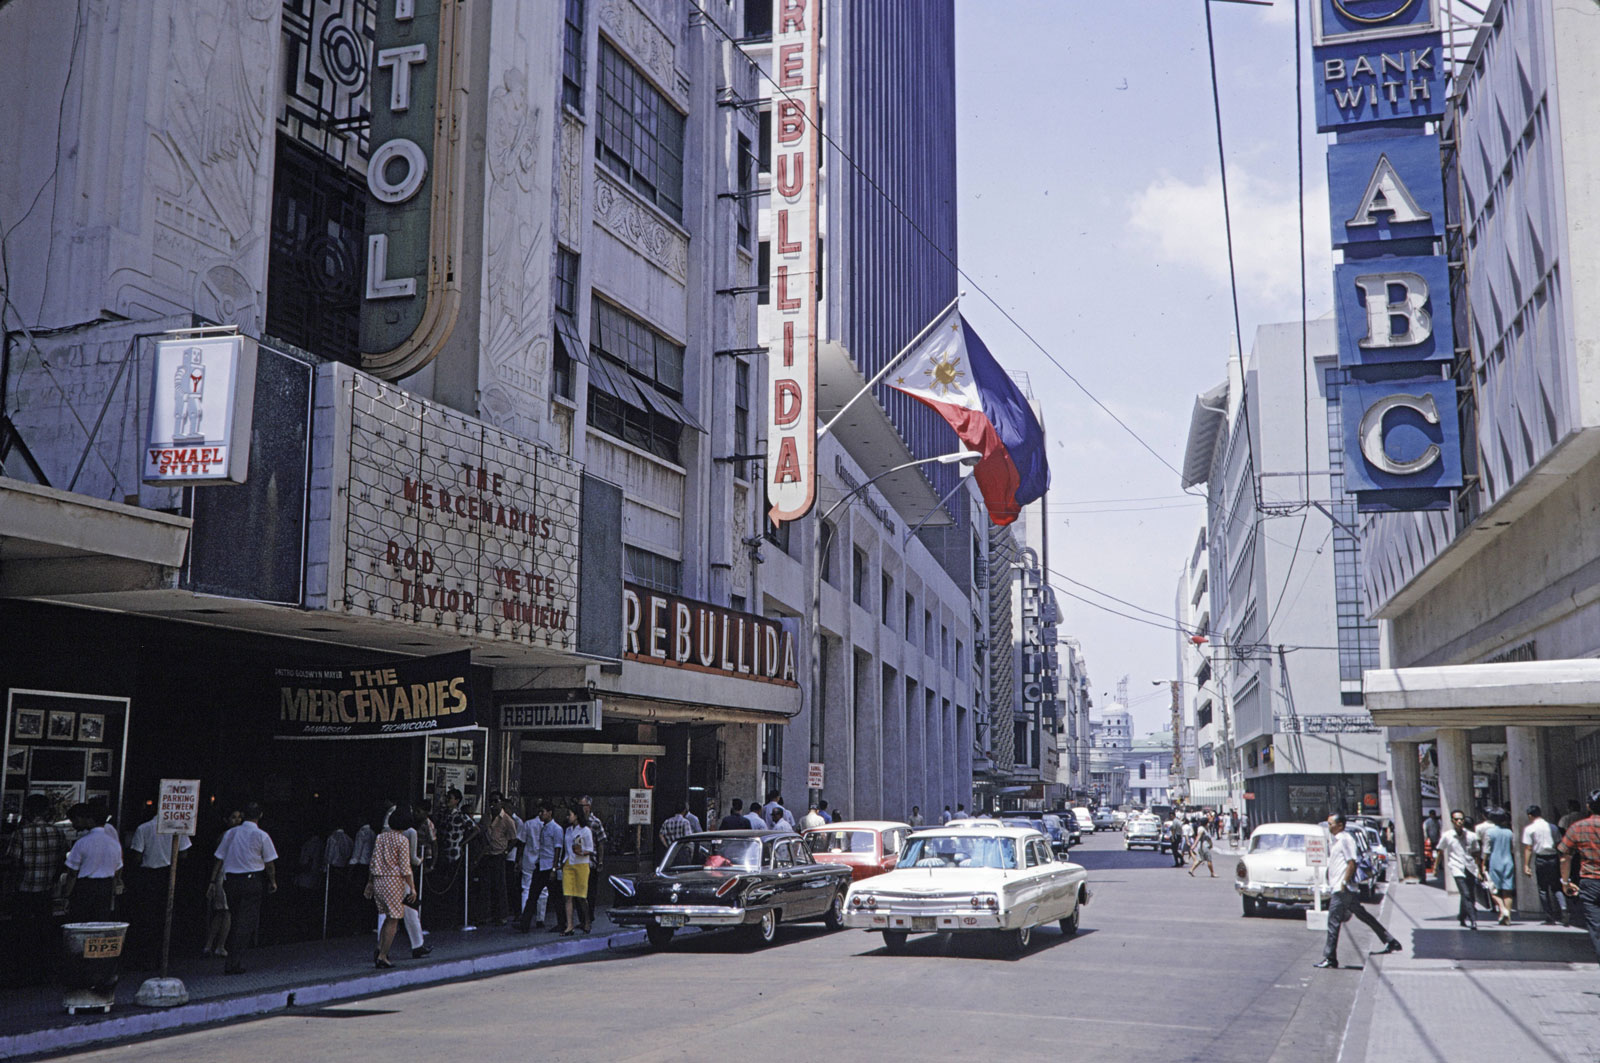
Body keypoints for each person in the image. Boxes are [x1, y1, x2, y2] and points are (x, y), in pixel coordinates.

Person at [1315, 812, 1401, 969]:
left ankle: (1330, 958)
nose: (1329, 827)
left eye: (1330, 824)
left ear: (1340, 825)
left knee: (1333, 922)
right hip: (1343, 888)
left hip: (1342, 889)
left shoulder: (1345, 839)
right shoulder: (1336, 840)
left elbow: (1351, 863)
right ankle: (1390, 940)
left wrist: (1343, 883)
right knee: (1363, 915)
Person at [4, 793, 68, 983]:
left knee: (21, 932)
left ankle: (22, 971)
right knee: (44, 930)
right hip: (47, 889)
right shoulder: (58, 832)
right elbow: (62, 860)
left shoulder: (21, 833)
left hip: (24, 888)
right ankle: (43, 970)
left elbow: (14, 862)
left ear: (29, 811)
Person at [211, 802, 278, 974]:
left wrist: (212, 881)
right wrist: (272, 881)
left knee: (234, 918)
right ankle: (234, 962)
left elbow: (219, 858)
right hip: (251, 880)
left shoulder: (231, 833)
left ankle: (231, 958)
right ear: (260, 815)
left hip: (231, 881)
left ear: (243, 815)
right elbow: (269, 863)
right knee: (245, 923)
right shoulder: (262, 836)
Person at [126, 804, 192, 967]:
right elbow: (184, 852)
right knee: (166, 914)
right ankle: (164, 955)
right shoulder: (177, 828)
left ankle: (146, 956)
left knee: (147, 916)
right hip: (169, 872)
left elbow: (137, 856)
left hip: (149, 874)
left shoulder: (143, 829)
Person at [365, 805, 416, 968]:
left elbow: (373, 862)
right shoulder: (402, 840)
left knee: (386, 916)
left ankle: (380, 948)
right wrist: (412, 887)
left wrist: (370, 882)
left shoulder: (381, 837)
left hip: (379, 880)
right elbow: (405, 867)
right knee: (393, 920)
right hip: (393, 881)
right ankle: (383, 955)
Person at [1558, 788, 1600, 964]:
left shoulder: (1578, 827)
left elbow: (1564, 856)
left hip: (1590, 882)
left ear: (1588, 806)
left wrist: (1565, 881)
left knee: (1596, 927)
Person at [60, 803, 122, 922]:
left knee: (82, 921)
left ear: (89, 820)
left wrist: (66, 894)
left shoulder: (83, 842)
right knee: (100, 922)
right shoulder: (114, 843)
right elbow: (118, 867)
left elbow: (72, 873)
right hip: (106, 886)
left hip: (85, 887)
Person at [430, 788, 476, 930]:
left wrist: (463, 843)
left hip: (455, 854)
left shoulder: (461, 816)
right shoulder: (443, 815)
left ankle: (453, 917)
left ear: (456, 800)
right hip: (443, 853)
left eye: (450, 798)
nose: (448, 800)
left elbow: (475, 829)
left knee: (454, 886)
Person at [515, 803, 564, 932]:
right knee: (533, 894)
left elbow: (557, 849)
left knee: (556, 896)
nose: (540, 814)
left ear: (550, 812)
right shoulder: (544, 828)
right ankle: (525, 923)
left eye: (543, 811)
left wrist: (554, 868)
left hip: (549, 867)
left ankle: (562, 923)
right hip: (540, 865)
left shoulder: (556, 829)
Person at [203, 808, 243, 957]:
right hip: (225, 875)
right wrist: (213, 880)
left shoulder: (232, 835)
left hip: (223, 874)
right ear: (226, 820)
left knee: (220, 912)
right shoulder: (228, 836)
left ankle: (209, 944)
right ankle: (220, 946)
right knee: (226, 913)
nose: (237, 820)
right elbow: (219, 859)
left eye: (239, 817)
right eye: (234, 817)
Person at [1436, 810, 1482, 930]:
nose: (1459, 821)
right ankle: (1473, 920)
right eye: (1456, 819)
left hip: (1470, 867)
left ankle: (1462, 916)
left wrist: (1480, 870)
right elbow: (1440, 851)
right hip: (1456, 867)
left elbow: (1476, 853)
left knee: (1469, 894)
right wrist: (1435, 868)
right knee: (1465, 893)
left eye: (1461, 819)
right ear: (1452, 821)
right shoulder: (1447, 836)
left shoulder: (1471, 836)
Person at [477, 795, 517, 925]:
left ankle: (501, 915)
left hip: (499, 854)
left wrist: (506, 851)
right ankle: (486, 914)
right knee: (485, 885)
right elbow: (481, 831)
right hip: (487, 853)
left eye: (496, 801)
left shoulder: (507, 820)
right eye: (491, 802)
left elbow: (513, 838)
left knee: (499, 885)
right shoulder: (486, 817)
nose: (493, 804)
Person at [1522, 804, 1563, 925]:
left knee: (1543, 889)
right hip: (1554, 858)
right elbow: (1559, 844)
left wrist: (1526, 865)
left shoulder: (1530, 829)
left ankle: (1549, 915)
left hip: (1540, 859)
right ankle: (1564, 908)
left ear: (1530, 816)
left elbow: (1528, 848)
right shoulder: (1553, 827)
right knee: (1557, 886)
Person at [560, 808, 594, 935]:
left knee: (581, 897)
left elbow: (590, 849)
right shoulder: (568, 830)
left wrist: (582, 852)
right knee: (567, 895)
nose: (568, 816)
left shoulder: (585, 831)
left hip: (581, 864)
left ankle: (587, 921)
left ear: (576, 816)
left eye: (570, 814)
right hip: (569, 863)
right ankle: (570, 925)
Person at [1483, 809, 1516, 925]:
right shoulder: (1509, 832)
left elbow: (1486, 850)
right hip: (1508, 861)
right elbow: (1513, 848)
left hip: (1495, 861)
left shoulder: (1489, 832)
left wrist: (1483, 864)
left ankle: (1502, 909)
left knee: (1493, 890)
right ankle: (1508, 917)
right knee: (1508, 891)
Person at [578, 796, 608, 915]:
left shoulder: (595, 822)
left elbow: (601, 842)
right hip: (579, 861)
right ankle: (582, 916)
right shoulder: (577, 822)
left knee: (590, 890)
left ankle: (589, 915)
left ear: (588, 807)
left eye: (582, 806)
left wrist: (600, 861)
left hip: (591, 861)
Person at [1423, 810, 1443, 880]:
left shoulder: (1438, 822)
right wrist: (1426, 838)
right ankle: (1432, 864)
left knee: (1438, 853)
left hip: (1437, 839)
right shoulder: (1427, 822)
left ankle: (1438, 865)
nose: (1433, 815)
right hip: (1431, 839)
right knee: (1430, 853)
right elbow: (1425, 830)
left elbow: (1440, 829)